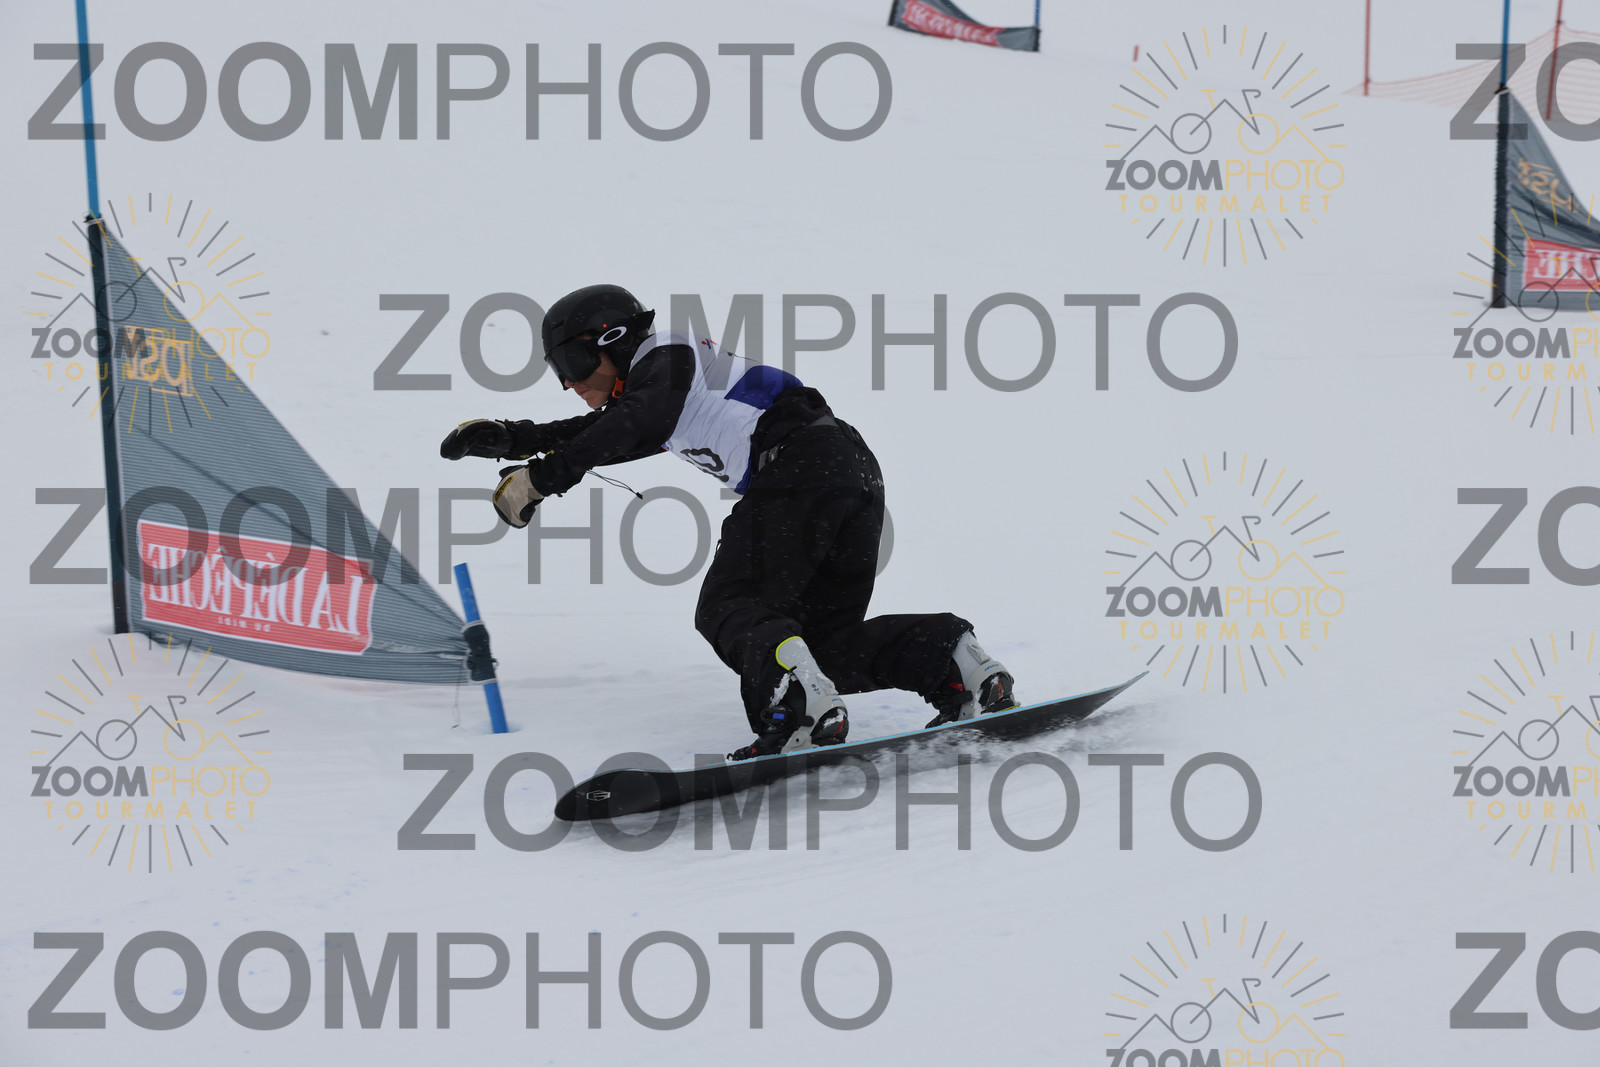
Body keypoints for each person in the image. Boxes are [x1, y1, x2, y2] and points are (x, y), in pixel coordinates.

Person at [440, 283, 1018, 760]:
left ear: (613, 339)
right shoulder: (660, 388)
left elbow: (634, 421)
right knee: (818, 646)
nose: (569, 382)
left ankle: (798, 715)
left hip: (803, 467)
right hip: (846, 472)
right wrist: (515, 439)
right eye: (559, 371)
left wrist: (544, 477)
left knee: (730, 605)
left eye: (571, 363)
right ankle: (954, 663)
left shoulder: (666, 350)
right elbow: (620, 429)